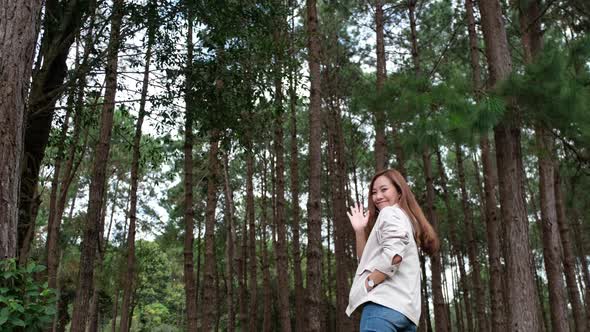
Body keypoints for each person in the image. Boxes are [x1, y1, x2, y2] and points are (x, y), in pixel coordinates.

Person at [346, 168, 439, 332]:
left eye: (384, 189)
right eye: (374, 192)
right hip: (407, 315)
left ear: (399, 192)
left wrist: (368, 284)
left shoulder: (390, 213)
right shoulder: (406, 221)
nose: (378, 196)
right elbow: (366, 262)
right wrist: (360, 231)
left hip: (382, 307)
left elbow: (393, 257)